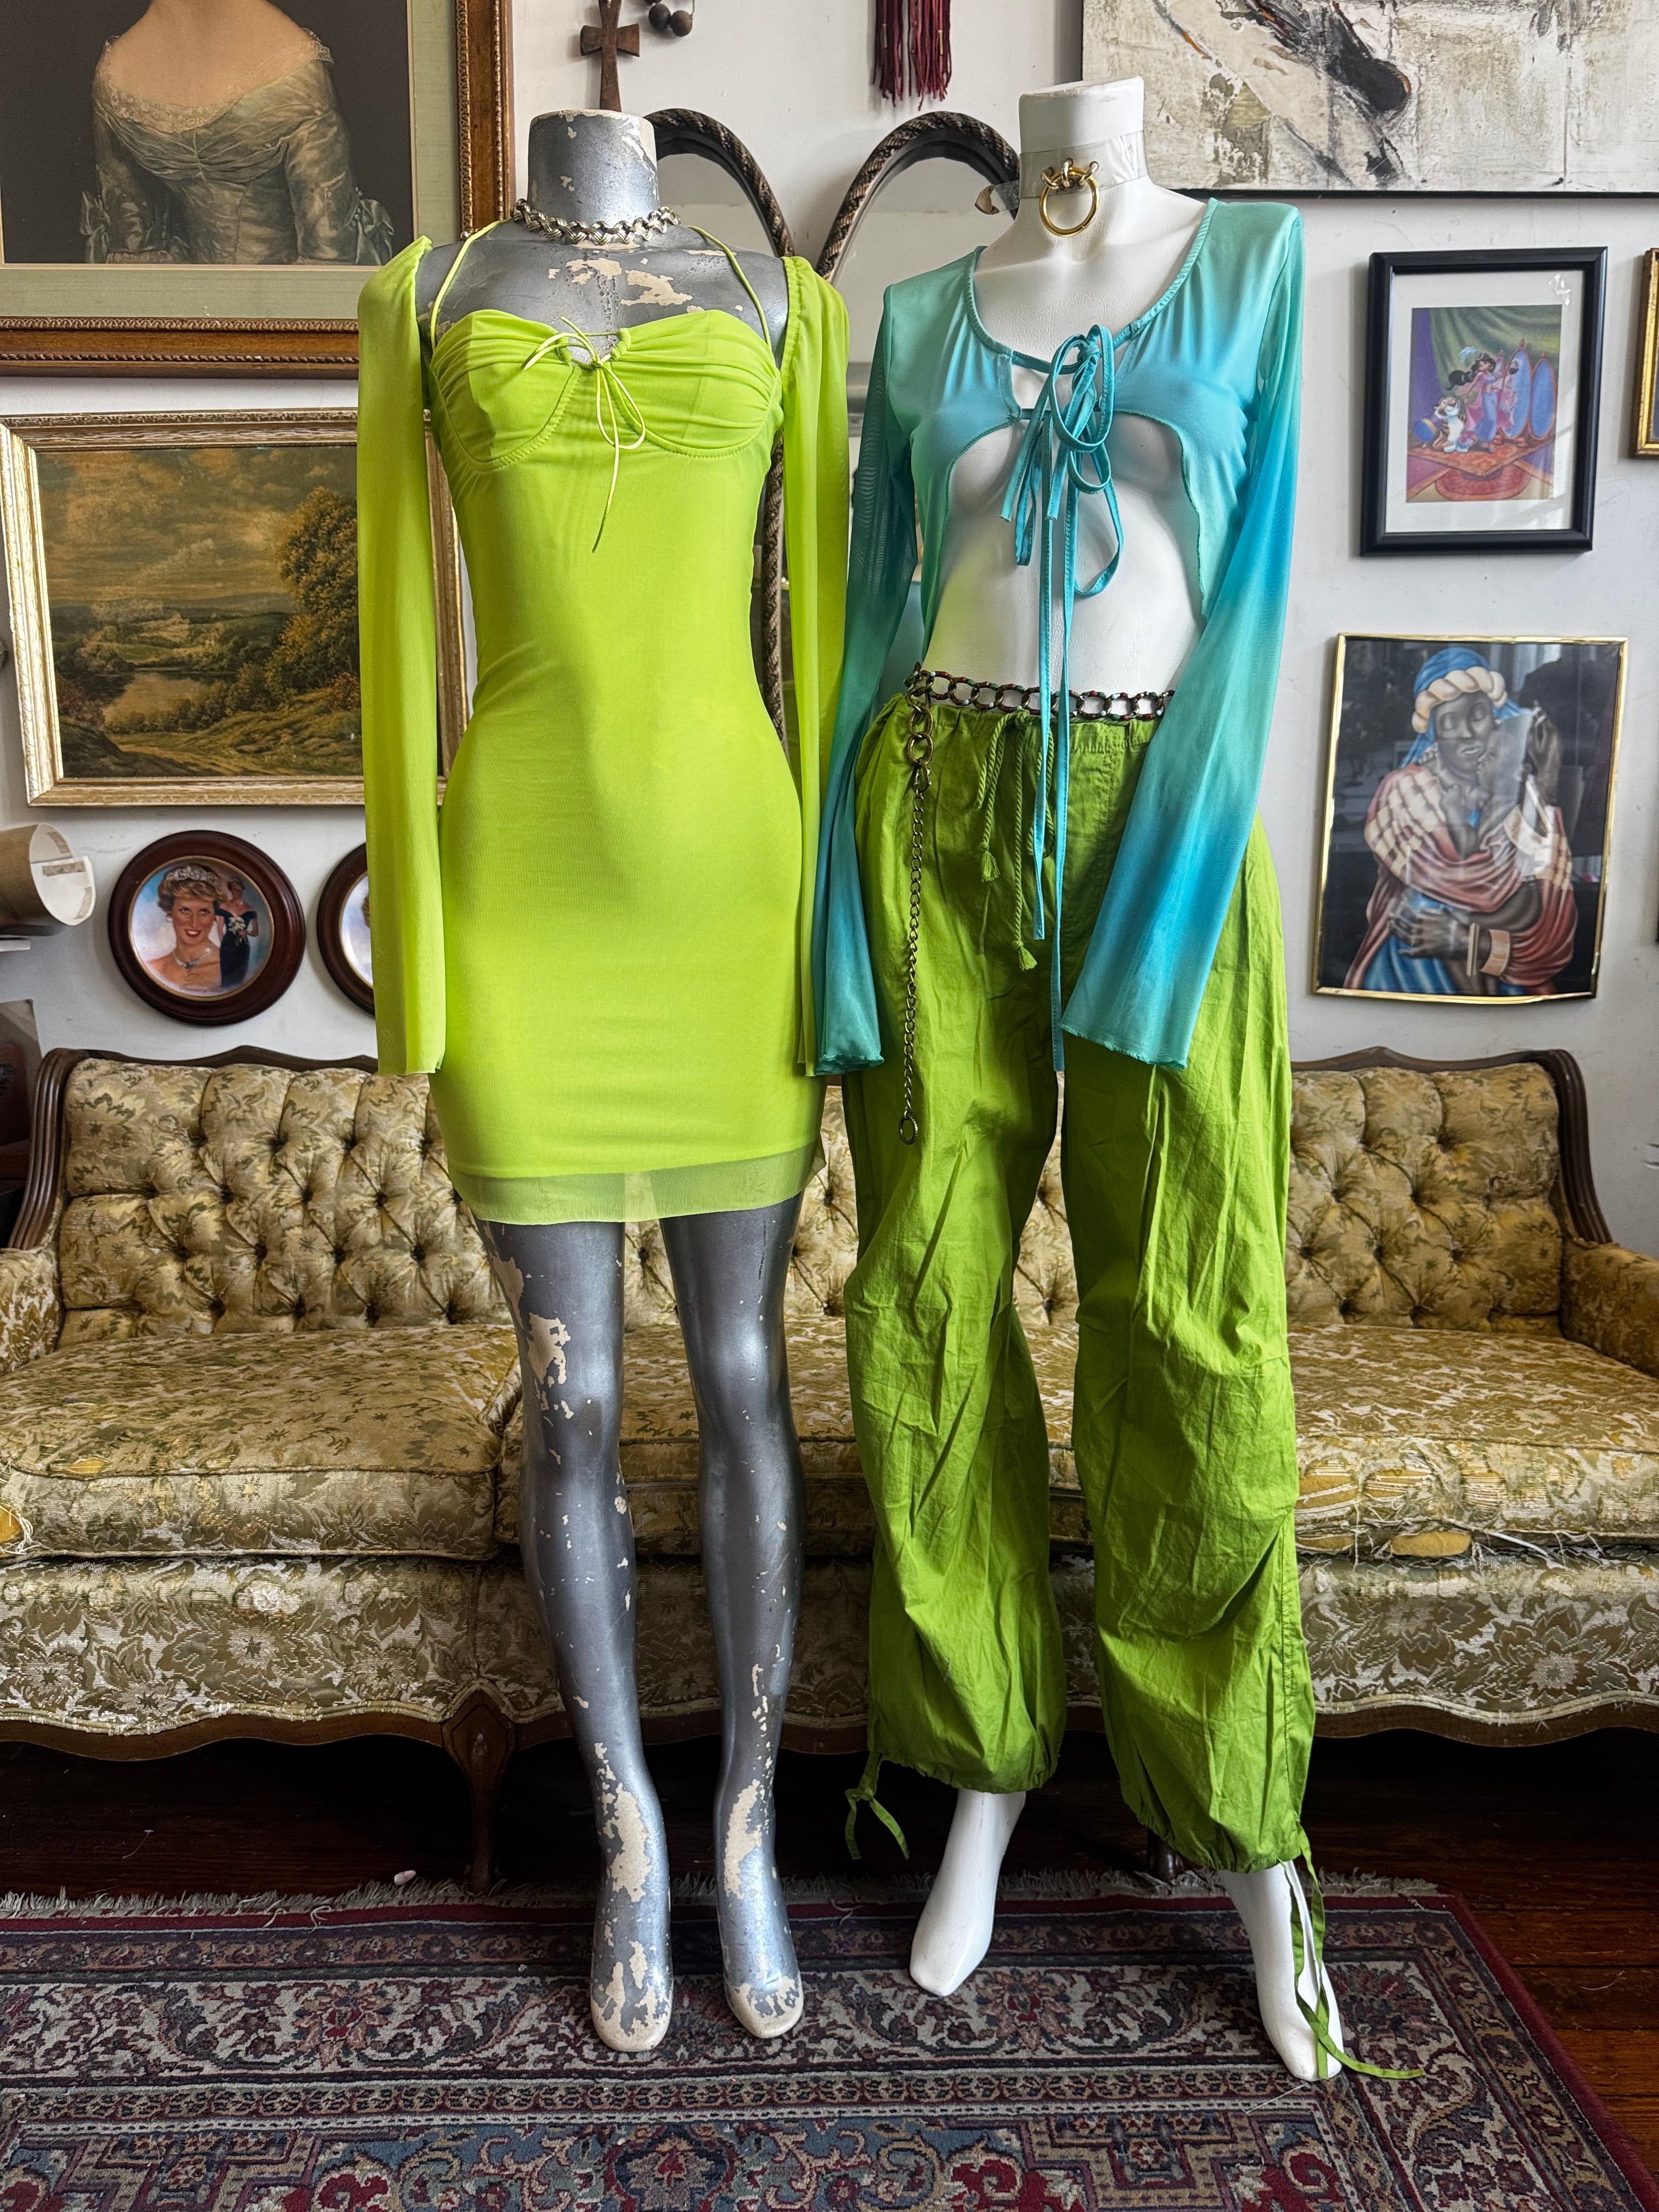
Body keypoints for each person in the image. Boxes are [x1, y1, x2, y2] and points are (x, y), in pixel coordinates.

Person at [85, 0, 394, 265]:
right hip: (275, 307)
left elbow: (134, 242)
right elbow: (330, 247)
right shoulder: (294, 69)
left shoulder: (115, 72)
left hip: (196, 303)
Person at [1344, 646, 1577, 997]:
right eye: (1449, 723)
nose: (1467, 733)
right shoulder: (1406, 790)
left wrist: (1470, 940)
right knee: (1425, 906)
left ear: (1496, 719)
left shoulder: (1523, 797)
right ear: (1434, 733)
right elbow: (1451, 883)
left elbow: (1549, 930)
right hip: (1407, 971)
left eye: (1478, 714)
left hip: (1504, 986)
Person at [145, 865, 224, 994]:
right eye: (185, 910)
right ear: (170, 912)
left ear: (215, 916)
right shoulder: (153, 968)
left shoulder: (230, 967)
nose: (194, 923)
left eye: (204, 912)